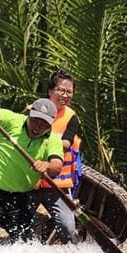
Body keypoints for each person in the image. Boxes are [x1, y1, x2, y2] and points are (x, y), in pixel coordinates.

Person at [0, 96, 65, 243]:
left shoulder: (53, 140)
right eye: (35, 120)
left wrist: (46, 165)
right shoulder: (13, 120)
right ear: (29, 114)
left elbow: (56, 166)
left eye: (44, 124)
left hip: (19, 198)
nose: (37, 126)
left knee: (25, 244)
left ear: (51, 123)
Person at [28, 71, 83, 244]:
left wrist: (50, 146)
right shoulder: (32, 110)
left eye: (69, 92)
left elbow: (66, 143)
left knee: (67, 228)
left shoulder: (71, 117)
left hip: (57, 184)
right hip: (31, 181)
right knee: (21, 222)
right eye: (61, 90)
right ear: (50, 91)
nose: (65, 95)